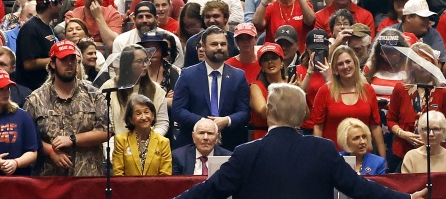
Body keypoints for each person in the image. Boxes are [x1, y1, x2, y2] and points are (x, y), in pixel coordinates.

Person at [172, 82, 419, 199]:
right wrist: (405, 197)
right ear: (303, 116)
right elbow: (360, 188)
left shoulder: (245, 153)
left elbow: (210, 190)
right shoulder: (323, 149)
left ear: (268, 112)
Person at [23, 39, 108, 176]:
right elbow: (29, 138)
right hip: (50, 177)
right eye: (63, 60)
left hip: (88, 176)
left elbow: (106, 130)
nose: (69, 64)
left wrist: (73, 139)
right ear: (52, 63)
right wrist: (50, 151)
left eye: (72, 59)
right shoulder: (35, 99)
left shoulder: (94, 94)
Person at [170, 27, 250, 149]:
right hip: (192, 145)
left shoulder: (238, 76)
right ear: (203, 46)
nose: (219, 47)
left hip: (229, 145)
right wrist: (205, 124)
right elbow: (178, 110)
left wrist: (226, 120)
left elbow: (244, 112)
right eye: (214, 44)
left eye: (223, 44)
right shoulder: (187, 75)